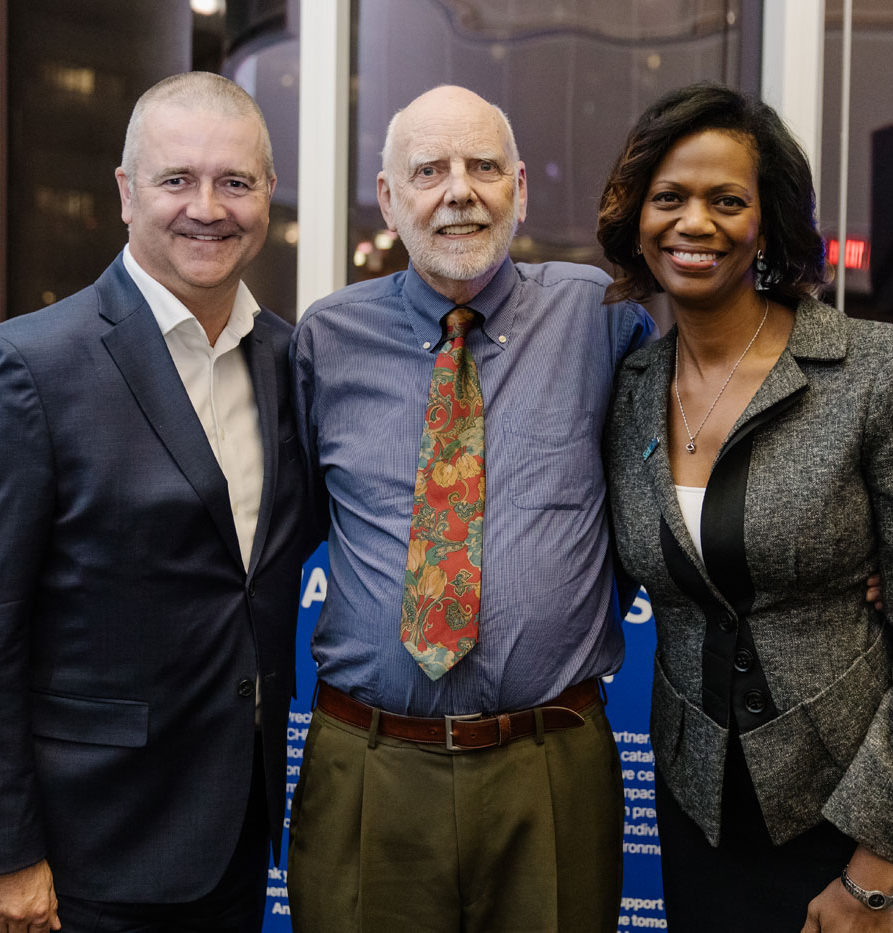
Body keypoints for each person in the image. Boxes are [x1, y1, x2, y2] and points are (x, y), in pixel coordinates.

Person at [0, 72, 308, 933]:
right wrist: (1, 852)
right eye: (177, 180)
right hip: (83, 852)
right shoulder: (26, 369)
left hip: (239, 834)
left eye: (235, 182)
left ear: (268, 195)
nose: (208, 207)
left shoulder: (291, 361)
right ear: (127, 195)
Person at [598, 83, 893, 933]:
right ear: (636, 217)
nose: (693, 223)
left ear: (766, 224)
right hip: (701, 814)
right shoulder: (627, 389)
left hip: (867, 809)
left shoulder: (883, 371)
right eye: (669, 198)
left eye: (725, 200)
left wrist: (876, 869)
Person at [286, 85, 654, 933]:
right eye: (429, 169)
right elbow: (279, 524)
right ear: (388, 197)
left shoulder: (600, 319)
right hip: (368, 764)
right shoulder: (326, 339)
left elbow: (672, 483)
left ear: (518, 187)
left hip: (551, 766)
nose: (460, 190)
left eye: (484, 166)